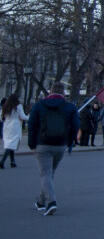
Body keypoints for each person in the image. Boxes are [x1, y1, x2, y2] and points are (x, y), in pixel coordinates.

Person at [26, 82, 80, 216]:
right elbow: (75, 126)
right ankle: (40, 201)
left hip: (42, 144)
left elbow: (31, 125)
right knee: (49, 173)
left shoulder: (39, 105)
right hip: (60, 145)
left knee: (46, 174)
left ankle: (51, 202)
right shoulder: (70, 107)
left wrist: (32, 144)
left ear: (50, 92)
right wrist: (70, 142)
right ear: (63, 93)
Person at [1, 94, 30, 168]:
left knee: (9, 143)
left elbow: (1, 117)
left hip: (6, 125)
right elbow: (23, 117)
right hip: (15, 126)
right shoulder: (18, 106)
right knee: (11, 144)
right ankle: (2, 161)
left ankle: (12, 162)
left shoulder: (5, 106)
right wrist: (29, 117)